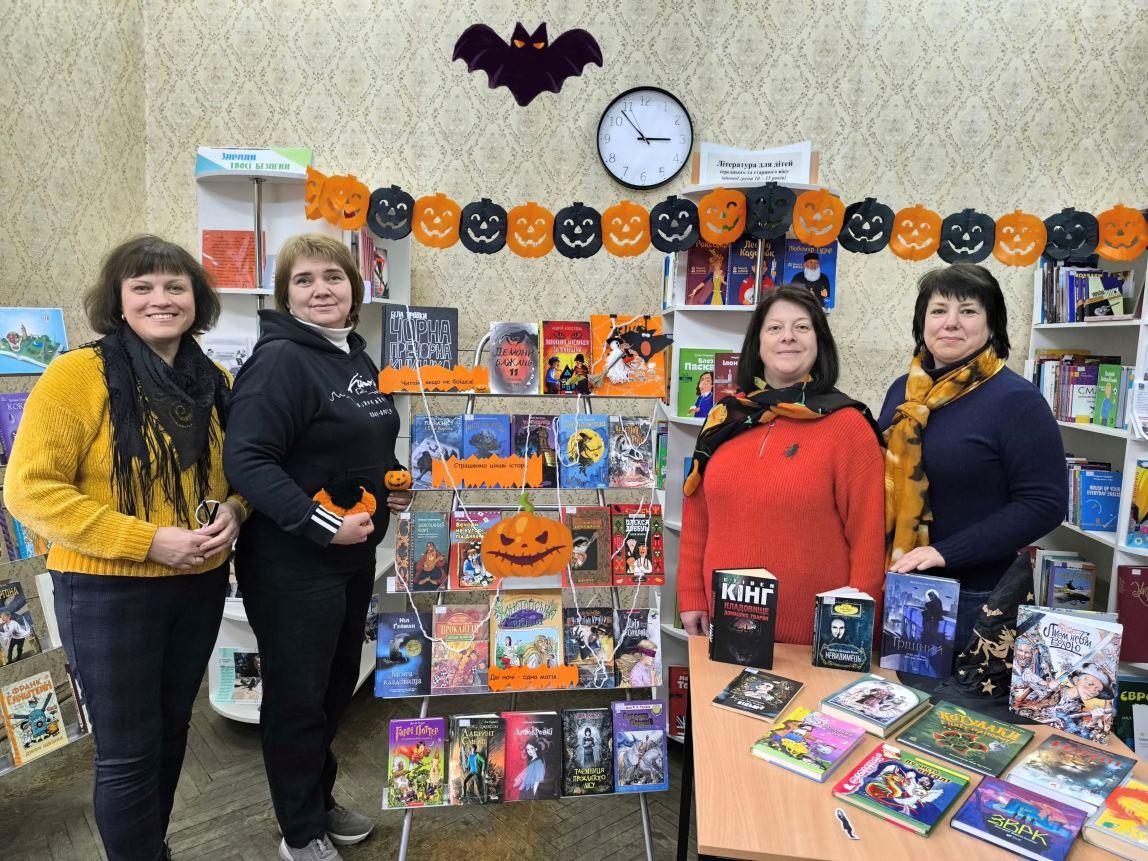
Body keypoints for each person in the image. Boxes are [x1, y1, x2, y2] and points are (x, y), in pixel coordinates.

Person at [3, 235, 245, 861]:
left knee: (172, 732)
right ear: (117, 299)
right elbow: (29, 490)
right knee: (129, 752)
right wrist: (147, 541)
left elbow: (233, 475)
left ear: (196, 299)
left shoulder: (213, 380)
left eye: (175, 287)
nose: (161, 299)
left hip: (198, 583)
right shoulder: (76, 375)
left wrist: (235, 511)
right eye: (143, 287)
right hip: (107, 590)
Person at [223, 233, 412, 861]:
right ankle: (299, 830)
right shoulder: (280, 360)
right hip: (293, 563)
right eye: (303, 280)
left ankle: (316, 799)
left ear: (355, 289)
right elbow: (247, 460)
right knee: (298, 699)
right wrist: (322, 523)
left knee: (334, 690)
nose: (321, 289)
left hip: (350, 558)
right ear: (286, 295)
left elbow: (361, 447)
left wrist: (389, 486)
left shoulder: (354, 356)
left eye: (333, 276)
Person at [677, 286, 886, 642]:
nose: (788, 336)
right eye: (775, 328)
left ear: (819, 343)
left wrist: (855, 632)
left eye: (801, 327)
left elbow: (868, 538)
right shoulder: (724, 418)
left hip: (816, 637)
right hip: (727, 629)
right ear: (757, 344)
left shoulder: (849, 425)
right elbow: (698, 515)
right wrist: (691, 594)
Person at [880, 264, 1066, 653]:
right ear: (922, 322)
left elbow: (1044, 504)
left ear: (991, 324)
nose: (951, 322)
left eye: (968, 311)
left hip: (975, 599)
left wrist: (944, 552)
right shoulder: (903, 392)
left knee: (954, 697)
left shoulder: (1017, 400)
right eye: (938, 310)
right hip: (897, 586)